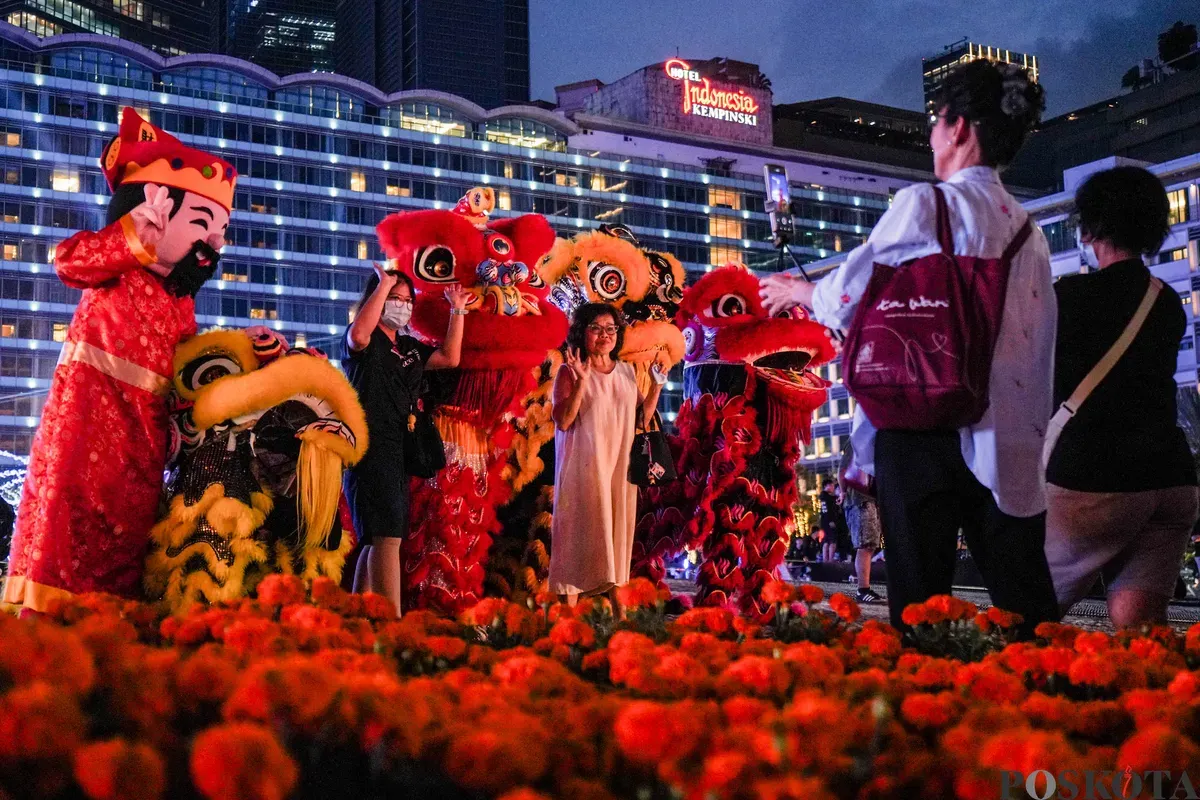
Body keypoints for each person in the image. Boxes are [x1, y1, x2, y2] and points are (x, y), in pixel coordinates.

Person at [759, 60, 1059, 637]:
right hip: (1005, 441)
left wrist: (799, 290)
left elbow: (850, 292)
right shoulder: (1030, 233)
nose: (931, 137)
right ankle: (1062, 706)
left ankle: (927, 714)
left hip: (921, 426)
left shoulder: (927, 204)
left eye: (936, 123)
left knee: (921, 610)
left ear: (960, 129)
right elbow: (1039, 344)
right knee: (1027, 610)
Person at [4, 108, 235, 614]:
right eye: (202, 222)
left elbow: (183, 369)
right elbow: (68, 261)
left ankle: (113, 645)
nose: (215, 243)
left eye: (221, 230)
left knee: (126, 539)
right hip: (86, 425)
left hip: (145, 440)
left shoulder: (181, 303)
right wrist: (133, 235)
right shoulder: (115, 265)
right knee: (70, 529)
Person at [1043, 166, 1199, 627]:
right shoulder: (1166, 301)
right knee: (1142, 635)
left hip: (1093, 478)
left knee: (1022, 616)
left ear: (1089, 229)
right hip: (1170, 479)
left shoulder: (1068, 296)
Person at [343, 263, 469, 615]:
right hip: (370, 446)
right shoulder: (364, 340)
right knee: (385, 534)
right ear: (376, 300)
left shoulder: (410, 348)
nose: (401, 305)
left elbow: (449, 357)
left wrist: (457, 309)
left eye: (406, 299)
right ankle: (389, 619)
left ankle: (358, 616)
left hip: (401, 447)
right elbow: (359, 337)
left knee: (378, 536)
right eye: (392, 298)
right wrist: (383, 285)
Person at [549, 302, 666, 618]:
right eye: (596, 329)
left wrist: (655, 385)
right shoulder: (568, 371)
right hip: (583, 469)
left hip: (619, 467)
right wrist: (582, 381)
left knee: (614, 537)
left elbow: (642, 418)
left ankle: (619, 617)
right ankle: (567, 620)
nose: (605, 335)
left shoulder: (627, 371)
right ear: (582, 332)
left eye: (611, 329)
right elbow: (563, 420)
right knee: (576, 537)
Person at [839, 442, 884, 604]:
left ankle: (865, 588)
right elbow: (843, 470)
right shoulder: (856, 440)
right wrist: (843, 493)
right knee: (865, 545)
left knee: (870, 545)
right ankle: (862, 589)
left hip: (870, 500)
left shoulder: (871, 439)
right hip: (860, 500)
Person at [817, 479, 842, 563]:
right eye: (830, 485)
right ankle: (830, 560)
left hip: (824, 522)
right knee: (832, 541)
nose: (832, 487)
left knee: (826, 541)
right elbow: (827, 510)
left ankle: (825, 560)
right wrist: (831, 520)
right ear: (825, 486)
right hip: (830, 521)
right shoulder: (827, 497)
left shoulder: (823, 497)